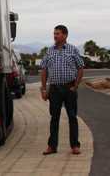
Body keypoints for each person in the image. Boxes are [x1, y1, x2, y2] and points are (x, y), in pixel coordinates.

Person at [40, 25, 84, 156]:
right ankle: (52, 146)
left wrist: (75, 86)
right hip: (54, 89)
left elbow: (81, 68)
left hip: (69, 88)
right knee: (54, 118)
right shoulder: (49, 51)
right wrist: (44, 89)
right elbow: (44, 70)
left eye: (57, 34)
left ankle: (75, 145)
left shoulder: (72, 50)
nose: (55, 36)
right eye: (54, 33)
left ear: (65, 35)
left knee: (72, 117)